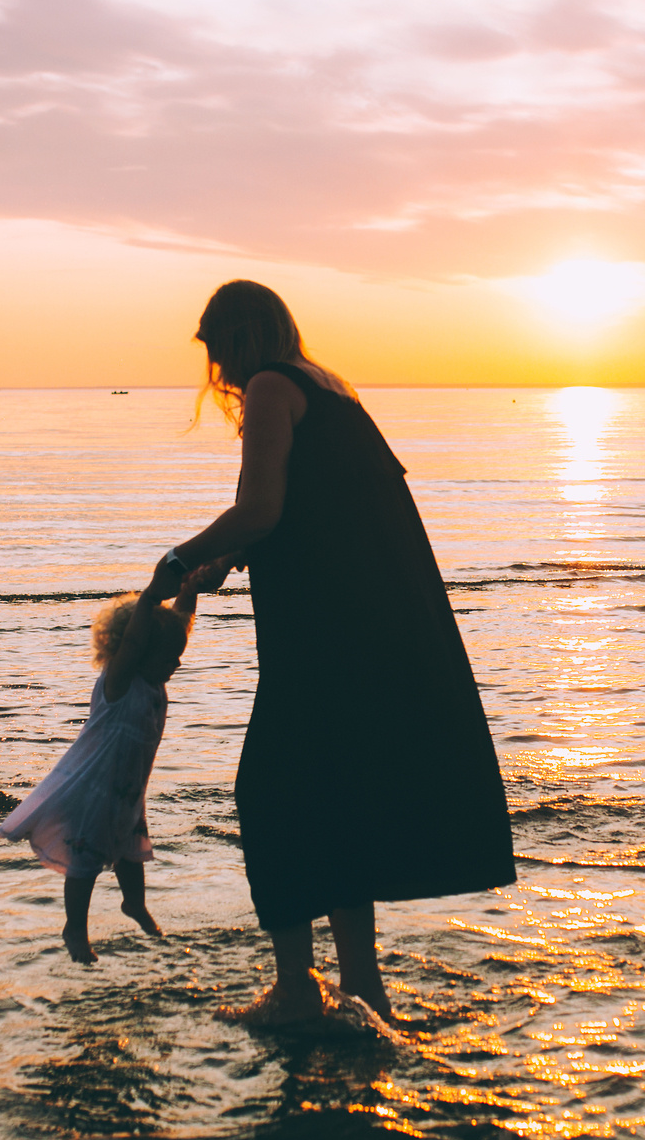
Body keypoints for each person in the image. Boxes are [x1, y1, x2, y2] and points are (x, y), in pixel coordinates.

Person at [149, 280, 516, 1024]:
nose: (213, 365)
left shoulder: (270, 387)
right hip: (377, 625)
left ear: (243, 336)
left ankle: (295, 993)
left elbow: (263, 508)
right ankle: (361, 989)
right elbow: (318, 511)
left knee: (273, 794)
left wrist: (173, 559)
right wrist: (227, 563)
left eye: (216, 344)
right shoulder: (332, 390)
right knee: (335, 798)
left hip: (324, 634)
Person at [0, 562, 221, 964]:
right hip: (93, 793)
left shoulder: (154, 680)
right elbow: (137, 642)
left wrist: (189, 589)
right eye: (169, 656)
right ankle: (75, 929)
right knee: (85, 860)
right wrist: (151, 596)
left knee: (130, 851)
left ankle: (133, 905)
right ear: (136, 653)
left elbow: (179, 627)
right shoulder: (119, 682)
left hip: (127, 792)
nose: (178, 663)